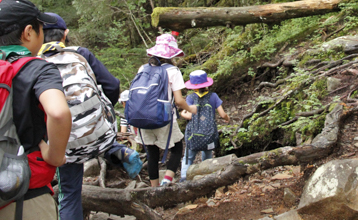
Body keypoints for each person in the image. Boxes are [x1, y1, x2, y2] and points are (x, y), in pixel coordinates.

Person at [0, 0, 72, 220]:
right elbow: (58, 112)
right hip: (26, 197)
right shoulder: (37, 68)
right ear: (29, 32)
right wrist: (55, 156)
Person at [39, 12, 121, 220]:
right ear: (65, 34)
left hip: (58, 143)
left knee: (69, 193)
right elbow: (112, 85)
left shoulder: (34, 63)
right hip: (95, 133)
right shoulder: (81, 54)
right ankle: (117, 151)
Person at [134, 34, 197, 187]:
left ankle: (154, 189)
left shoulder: (143, 68)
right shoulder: (173, 71)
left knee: (152, 153)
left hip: (142, 117)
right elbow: (179, 101)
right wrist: (191, 109)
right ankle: (166, 181)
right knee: (177, 148)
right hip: (163, 117)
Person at [180, 70, 230, 182]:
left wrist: (182, 113)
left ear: (193, 86)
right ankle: (206, 178)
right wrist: (227, 118)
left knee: (188, 158)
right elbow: (222, 114)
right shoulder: (213, 96)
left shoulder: (190, 98)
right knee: (208, 158)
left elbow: (189, 116)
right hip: (209, 135)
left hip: (193, 136)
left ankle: (184, 179)